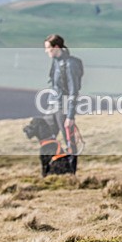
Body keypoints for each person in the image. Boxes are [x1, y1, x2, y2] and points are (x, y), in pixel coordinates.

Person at [43, 34, 82, 172]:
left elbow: (73, 91)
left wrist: (70, 116)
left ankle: (71, 173)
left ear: (56, 47)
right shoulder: (55, 62)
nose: (46, 51)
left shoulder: (70, 65)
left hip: (64, 106)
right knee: (46, 136)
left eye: (48, 48)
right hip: (53, 104)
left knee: (69, 140)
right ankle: (52, 168)